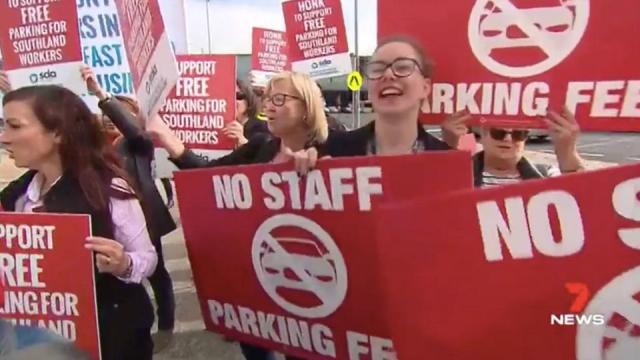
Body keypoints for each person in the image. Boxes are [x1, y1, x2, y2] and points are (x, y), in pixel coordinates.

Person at [148, 71, 327, 360]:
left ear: (307, 106)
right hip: (256, 275)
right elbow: (208, 174)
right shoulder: (260, 145)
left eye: (279, 99)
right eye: (267, 98)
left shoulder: (335, 148)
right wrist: (165, 136)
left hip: (309, 282)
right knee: (255, 348)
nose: (268, 105)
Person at [0, 85, 157, 360]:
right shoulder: (18, 195)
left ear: (58, 132)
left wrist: (123, 264)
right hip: (39, 341)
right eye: (4, 126)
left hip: (111, 336)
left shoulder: (107, 189)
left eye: (14, 126)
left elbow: (147, 258)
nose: (4, 138)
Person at [80, 65, 178, 352]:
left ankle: (166, 323)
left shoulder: (140, 143)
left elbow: (131, 128)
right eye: (107, 115)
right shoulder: (94, 145)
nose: (111, 119)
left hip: (146, 218)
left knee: (156, 272)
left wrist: (101, 94)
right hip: (109, 219)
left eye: (120, 113)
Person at [286, 35, 466, 174]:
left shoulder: (449, 163)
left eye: (403, 67)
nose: (388, 75)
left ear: (425, 87)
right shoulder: (331, 150)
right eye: (377, 69)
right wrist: (302, 172)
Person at [465, 107, 584, 187]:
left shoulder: (546, 174)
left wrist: (566, 150)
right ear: (483, 133)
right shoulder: (459, 176)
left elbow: (579, 201)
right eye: (499, 133)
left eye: (518, 134)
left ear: (526, 137)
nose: (508, 139)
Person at [222, 79, 271, 147]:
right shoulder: (215, 128)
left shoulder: (263, 128)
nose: (231, 100)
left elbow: (267, 155)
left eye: (238, 96)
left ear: (248, 99)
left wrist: (242, 141)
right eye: (225, 96)